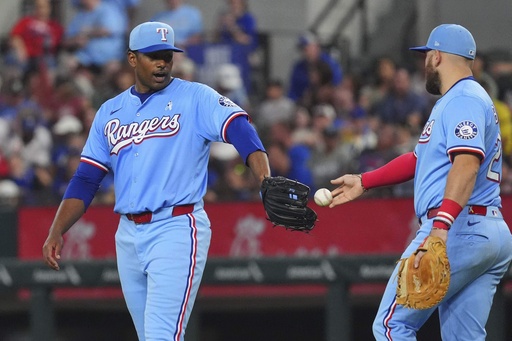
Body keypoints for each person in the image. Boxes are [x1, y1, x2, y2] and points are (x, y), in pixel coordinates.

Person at [42, 21, 271, 340]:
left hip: (176, 227)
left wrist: (264, 177)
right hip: (128, 236)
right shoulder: (110, 112)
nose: (162, 62)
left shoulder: (195, 97)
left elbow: (240, 128)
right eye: (153, 55)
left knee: (161, 336)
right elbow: (85, 179)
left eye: (167, 55)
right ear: (132, 58)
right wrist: (57, 229)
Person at [328, 24, 512, 340]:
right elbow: (418, 159)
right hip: (487, 230)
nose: (424, 63)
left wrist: (440, 228)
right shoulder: (460, 99)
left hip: (457, 229)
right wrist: (364, 180)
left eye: (426, 56)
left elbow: (466, 165)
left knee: (391, 326)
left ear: (437, 56)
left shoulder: (463, 100)